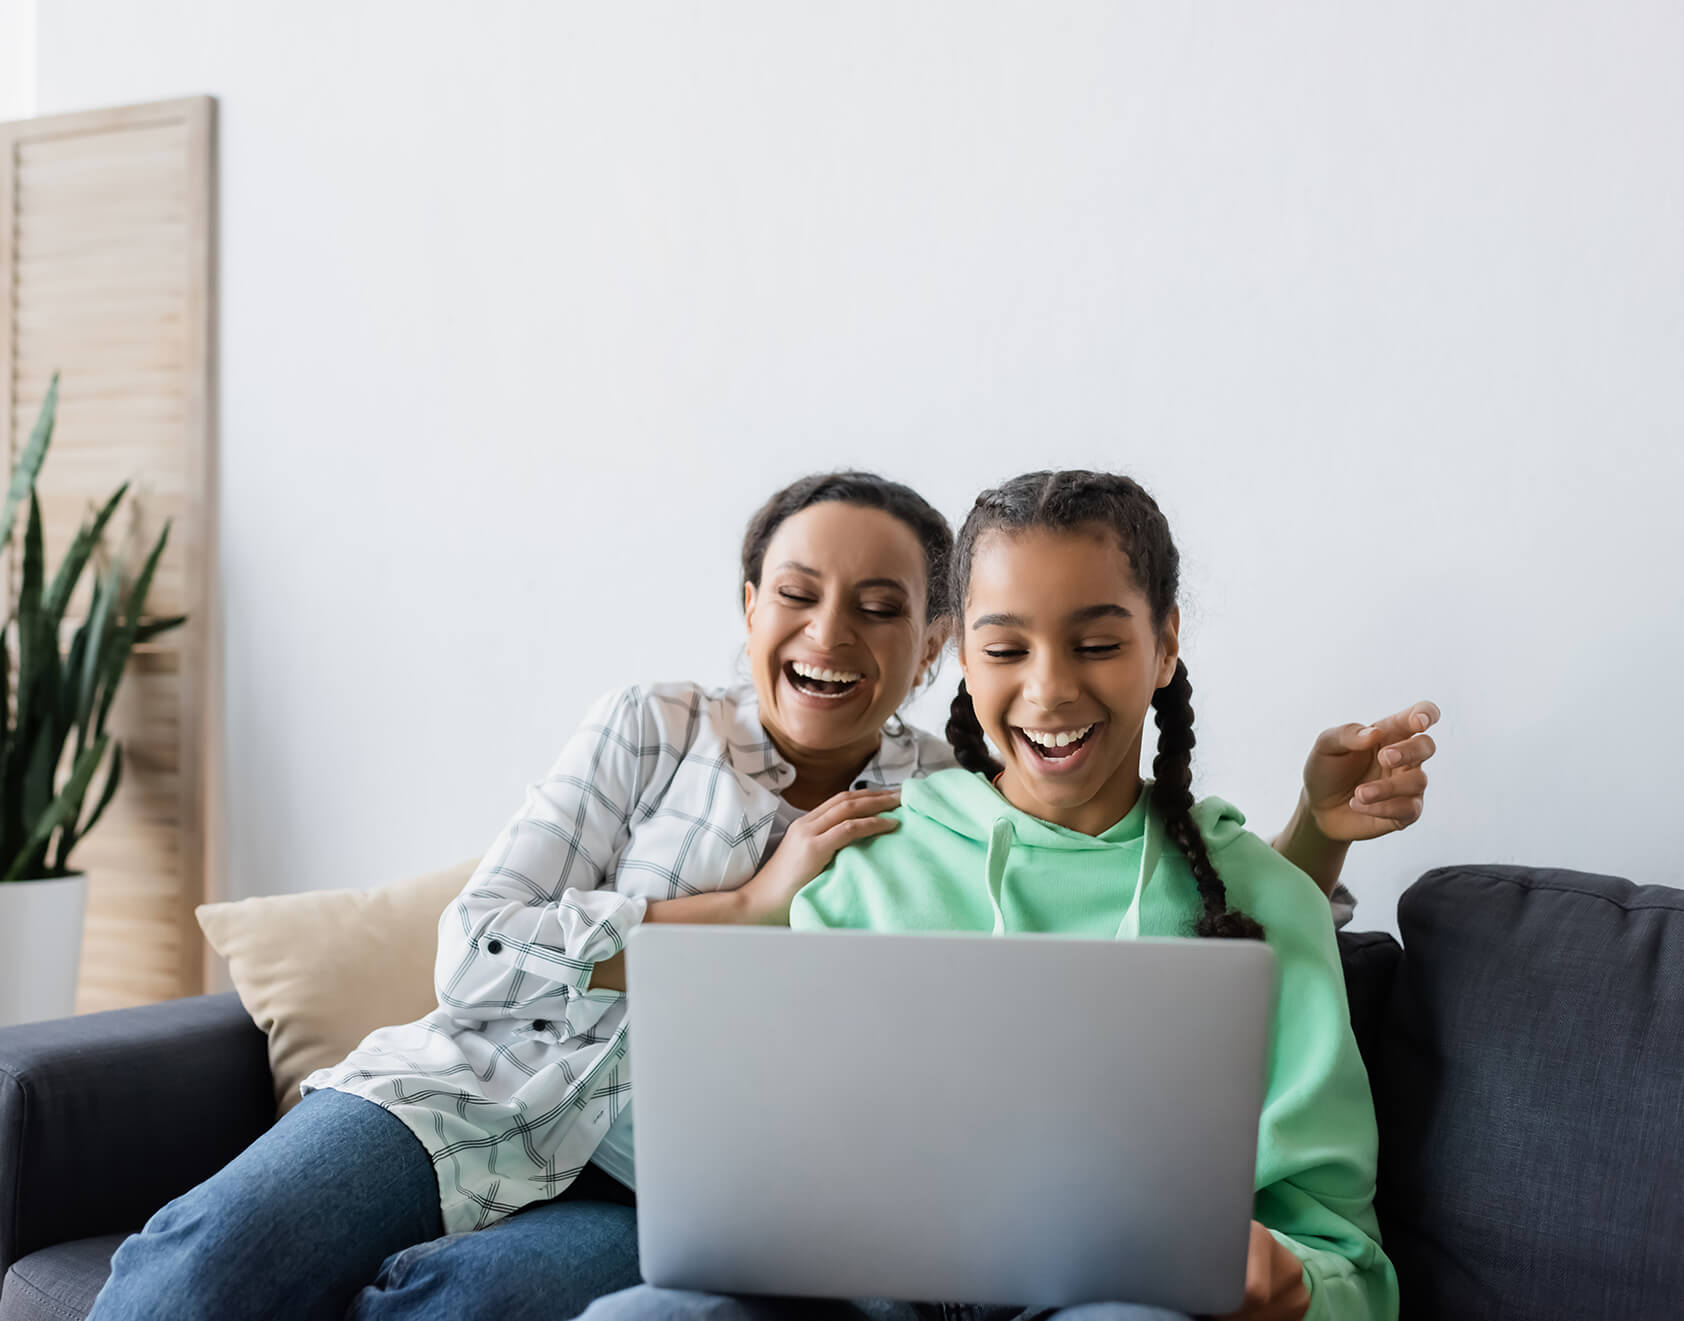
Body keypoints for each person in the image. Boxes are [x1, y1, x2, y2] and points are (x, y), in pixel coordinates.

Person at [86, 472, 1433, 1321]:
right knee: (213, 1262)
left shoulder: (980, 813)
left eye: (880, 609)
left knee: (463, 1296)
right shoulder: (717, 758)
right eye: (799, 594)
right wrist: (746, 907)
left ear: (920, 659)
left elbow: (1210, 930)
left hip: (705, 1194)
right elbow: (480, 950)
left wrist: (1310, 836)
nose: (832, 635)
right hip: (488, 1103)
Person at [581, 470, 1399, 1321]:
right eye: (1007, 649)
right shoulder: (868, 853)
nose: (1049, 691)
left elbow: (1354, 1266)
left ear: (1165, 645)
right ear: (964, 660)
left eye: (1097, 645)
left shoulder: (1266, 901)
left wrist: (1295, 1280)